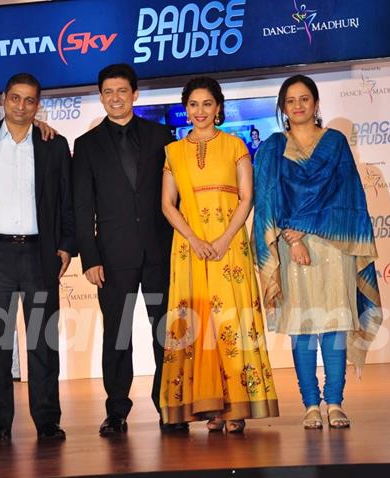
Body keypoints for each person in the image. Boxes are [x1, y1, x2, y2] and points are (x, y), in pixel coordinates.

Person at [252, 74, 382, 430]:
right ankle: (311, 404)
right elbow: (266, 202)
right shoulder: (272, 148)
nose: (297, 106)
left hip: (331, 244)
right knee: (303, 328)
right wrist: (292, 240)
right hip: (290, 247)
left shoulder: (335, 143)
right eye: (290, 100)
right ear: (283, 108)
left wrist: (305, 228)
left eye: (304, 99)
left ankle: (335, 402)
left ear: (316, 104)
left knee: (336, 325)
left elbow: (347, 196)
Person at [160, 77, 279, 433]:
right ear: (186, 108)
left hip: (230, 247)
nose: (200, 111)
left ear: (219, 108)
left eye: (207, 104)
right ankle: (210, 407)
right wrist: (194, 240)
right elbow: (167, 204)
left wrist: (227, 237)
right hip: (189, 248)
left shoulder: (235, 146)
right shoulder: (173, 152)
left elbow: (247, 197)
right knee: (199, 322)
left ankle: (236, 408)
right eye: (193, 105)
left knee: (231, 320)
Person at [72, 64, 183, 435]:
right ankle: (117, 410)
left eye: (122, 91)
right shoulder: (85, 145)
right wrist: (90, 258)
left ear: (135, 94)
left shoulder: (162, 136)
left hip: (159, 252)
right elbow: (82, 206)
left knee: (164, 333)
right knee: (117, 337)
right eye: (108, 92)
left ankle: (169, 405)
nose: (115, 98)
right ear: (101, 96)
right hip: (112, 257)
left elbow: (176, 197)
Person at [0, 73, 75, 443]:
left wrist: (66, 244)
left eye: (29, 100)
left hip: (38, 252)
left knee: (43, 342)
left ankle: (47, 420)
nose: (21, 106)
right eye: (15, 98)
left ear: (38, 105)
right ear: (3, 98)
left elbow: (66, 200)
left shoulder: (53, 144)